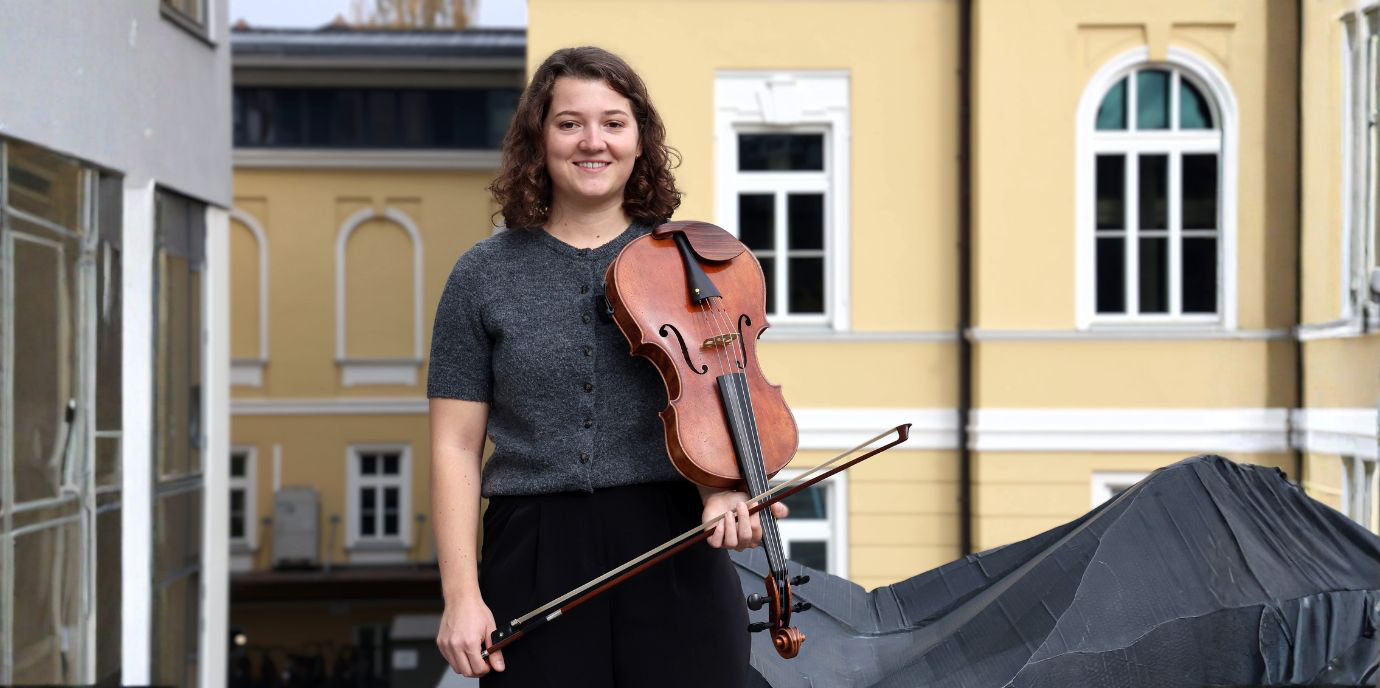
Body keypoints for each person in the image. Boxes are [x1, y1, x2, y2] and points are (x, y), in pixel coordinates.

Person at [427, 46, 789, 687]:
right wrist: (461, 595)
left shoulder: (693, 263)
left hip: (673, 542)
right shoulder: (480, 275)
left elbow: (714, 402)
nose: (593, 141)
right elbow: (456, 447)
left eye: (614, 123)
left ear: (640, 140)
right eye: (570, 123)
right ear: (538, 138)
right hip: (532, 550)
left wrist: (724, 492)